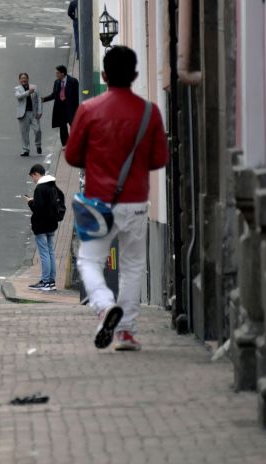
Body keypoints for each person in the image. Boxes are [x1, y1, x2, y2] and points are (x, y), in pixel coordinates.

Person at [65, 46, 168, 351]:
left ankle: (104, 304)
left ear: (105, 75)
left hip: (99, 203)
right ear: (135, 75)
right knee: (133, 265)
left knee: (89, 260)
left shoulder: (89, 110)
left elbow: (71, 156)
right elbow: (159, 159)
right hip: (135, 202)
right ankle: (125, 331)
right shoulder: (149, 112)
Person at [24, 164, 64, 292]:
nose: (33, 180)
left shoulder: (40, 188)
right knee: (51, 252)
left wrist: (30, 202)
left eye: (33, 177)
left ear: (36, 174)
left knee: (44, 253)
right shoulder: (53, 185)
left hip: (41, 225)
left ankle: (46, 281)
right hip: (52, 224)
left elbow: (38, 208)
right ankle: (51, 281)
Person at [41, 65, 81, 146]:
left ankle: (76, 144)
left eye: (57, 73)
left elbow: (78, 94)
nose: (56, 75)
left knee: (73, 126)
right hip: (60, 108)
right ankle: (65, 144)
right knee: (62, 127)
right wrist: (44, 99)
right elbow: (54, 95)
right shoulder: (57, 82)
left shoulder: (73, 81)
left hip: (71, 108)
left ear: (62, 73)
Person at [15, 72, 43, 156]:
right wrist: (28, 92)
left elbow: (39, 99)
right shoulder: (17, 88)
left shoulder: (34, 87)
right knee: (24, 133)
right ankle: (26, 150)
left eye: (25, 78)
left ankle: (38, 145)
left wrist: (40, 111)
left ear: (28, 79)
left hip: (33, 113)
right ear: (19, 80)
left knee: (37, 130)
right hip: (23, 114)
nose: (23, 79)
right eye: (22, 78)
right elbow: (18, 96)